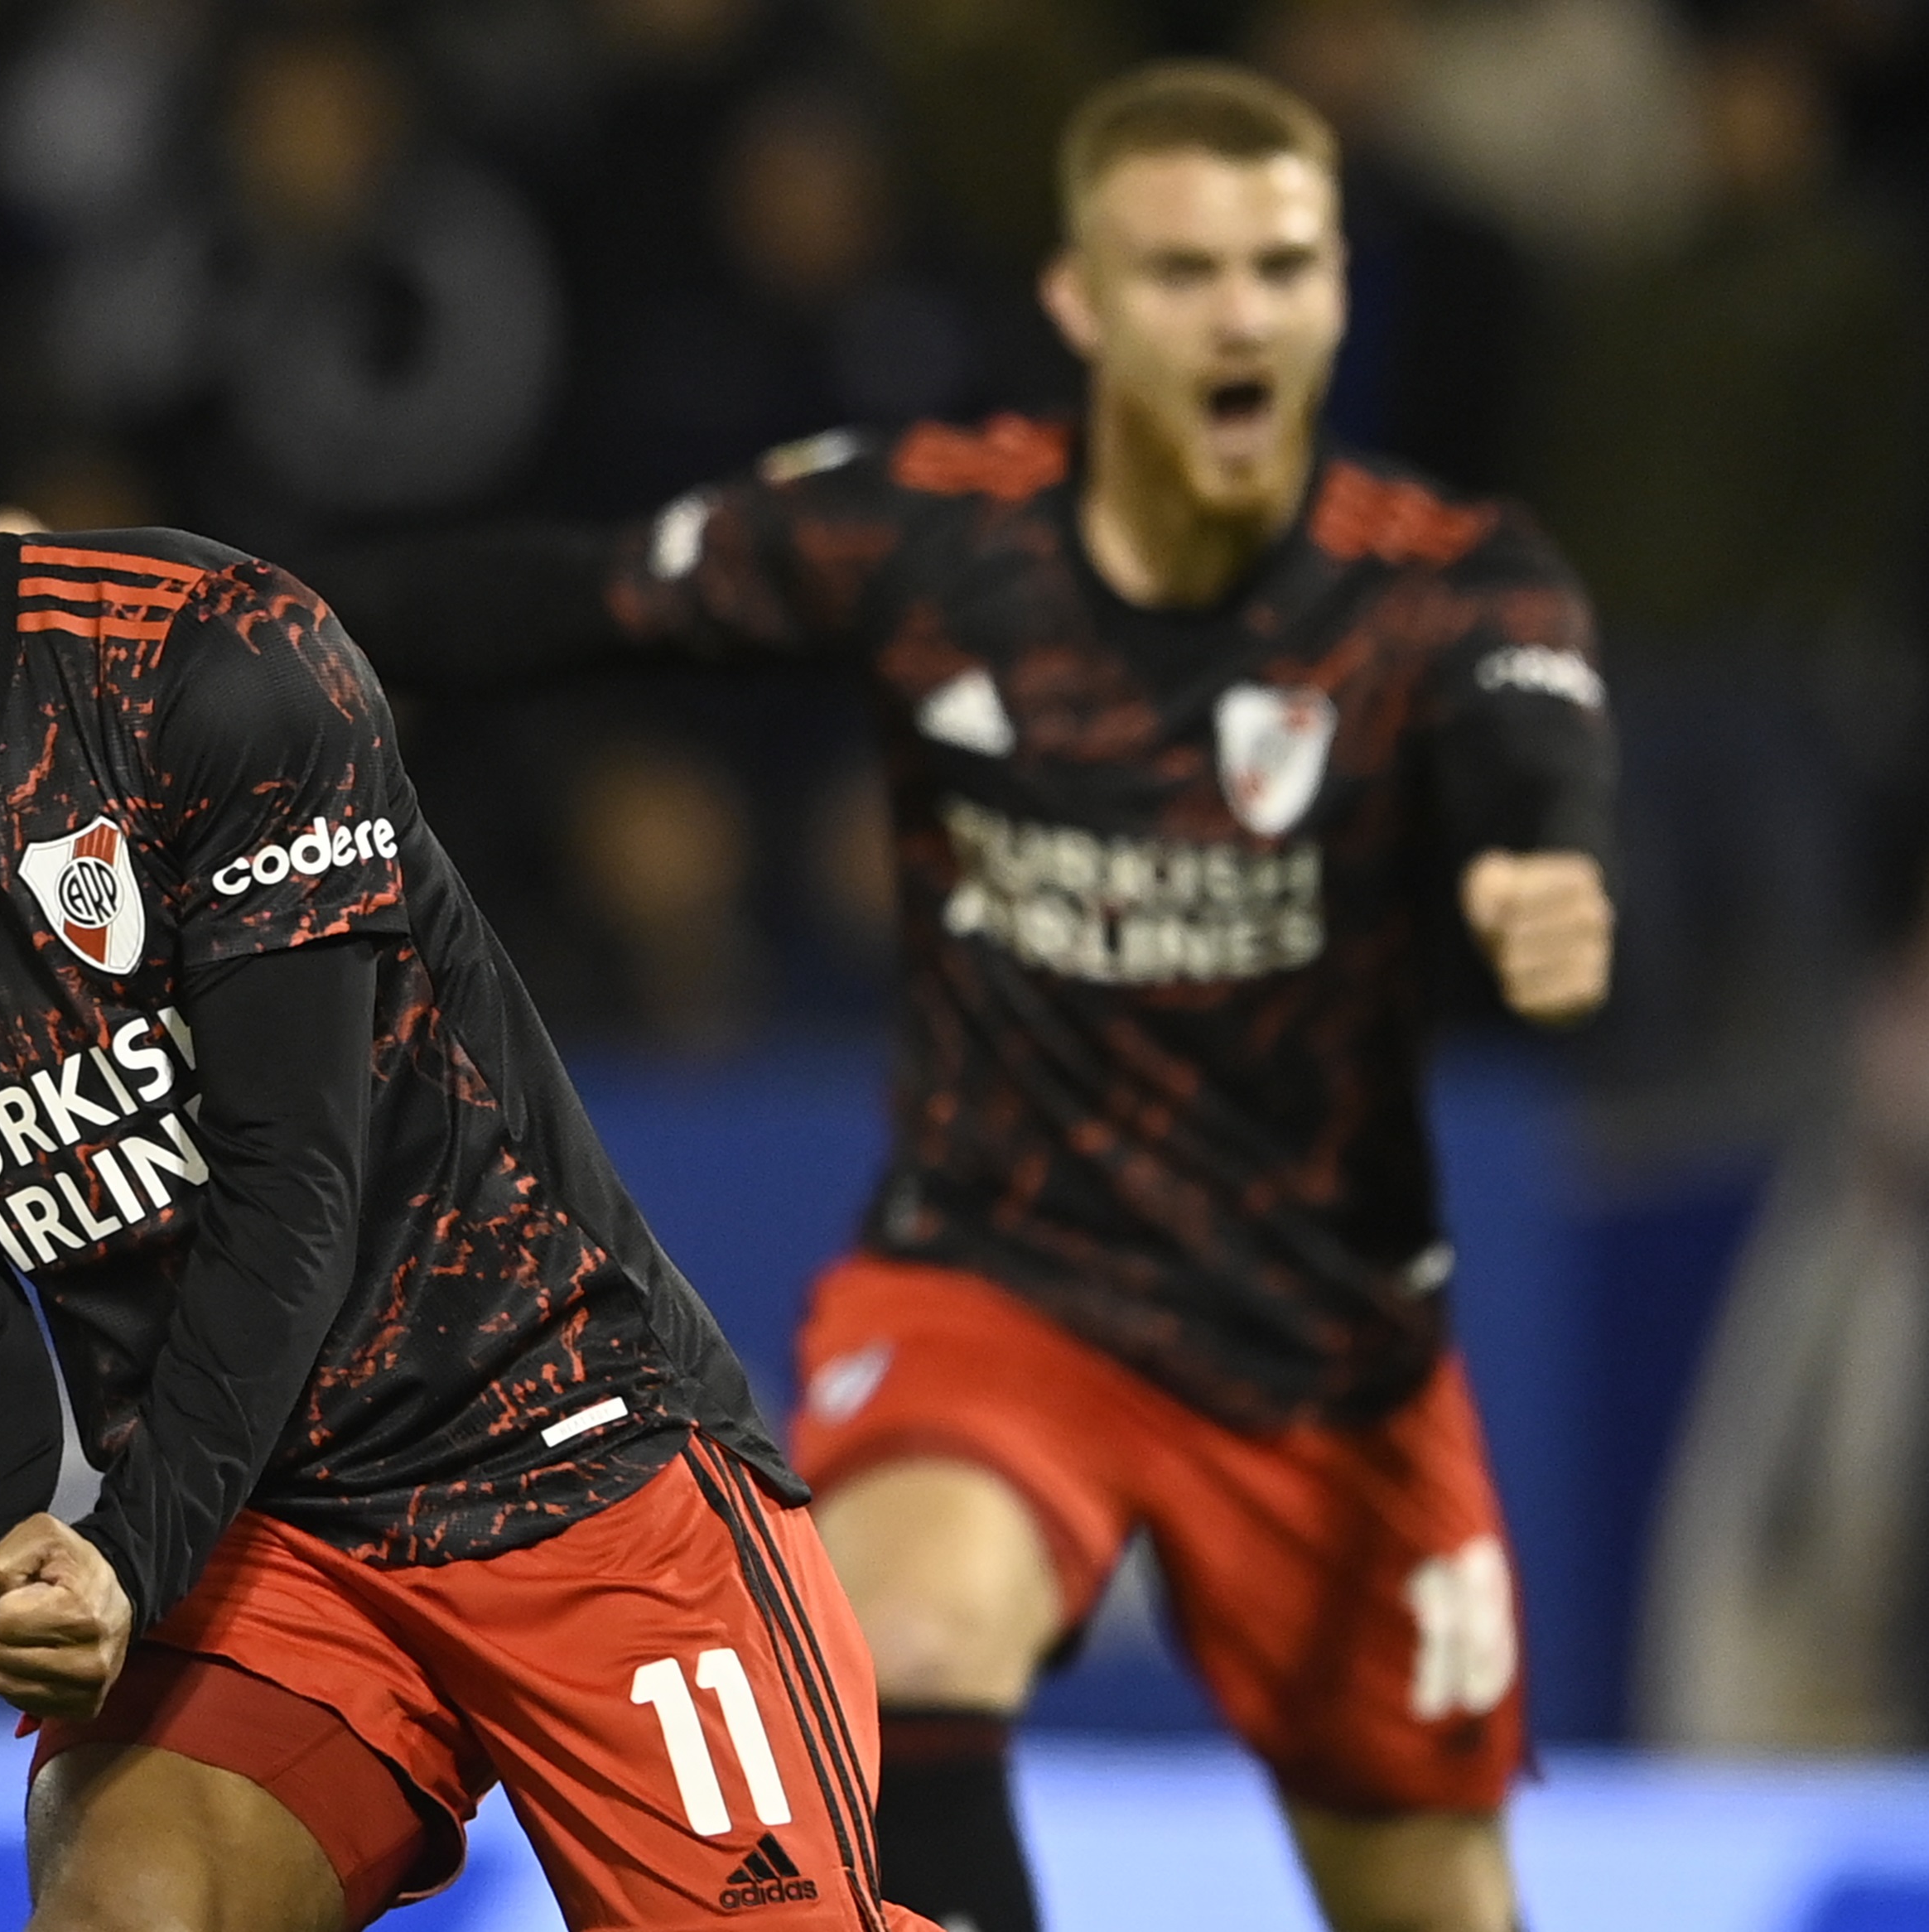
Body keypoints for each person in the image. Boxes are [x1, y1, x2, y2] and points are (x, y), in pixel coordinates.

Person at [323, 62, 1615, 1932]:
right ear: (1084, 305)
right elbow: (561, 597)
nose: (1239, 314)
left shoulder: (1444, 584)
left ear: (1336, 294)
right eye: (1180, 272)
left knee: (1428, 1893)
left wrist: (1538, 866)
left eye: (1282, 266)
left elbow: (1530, 748)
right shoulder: (936, 539)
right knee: (895, 1631)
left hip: (1325, 1347)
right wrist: (156, 610)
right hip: (1000, 1287)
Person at [0, 231, 927, 1932]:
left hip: (570, 1469)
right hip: (260, 1550)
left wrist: (124, 1550)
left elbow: (295, 1188)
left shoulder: (203, 660)